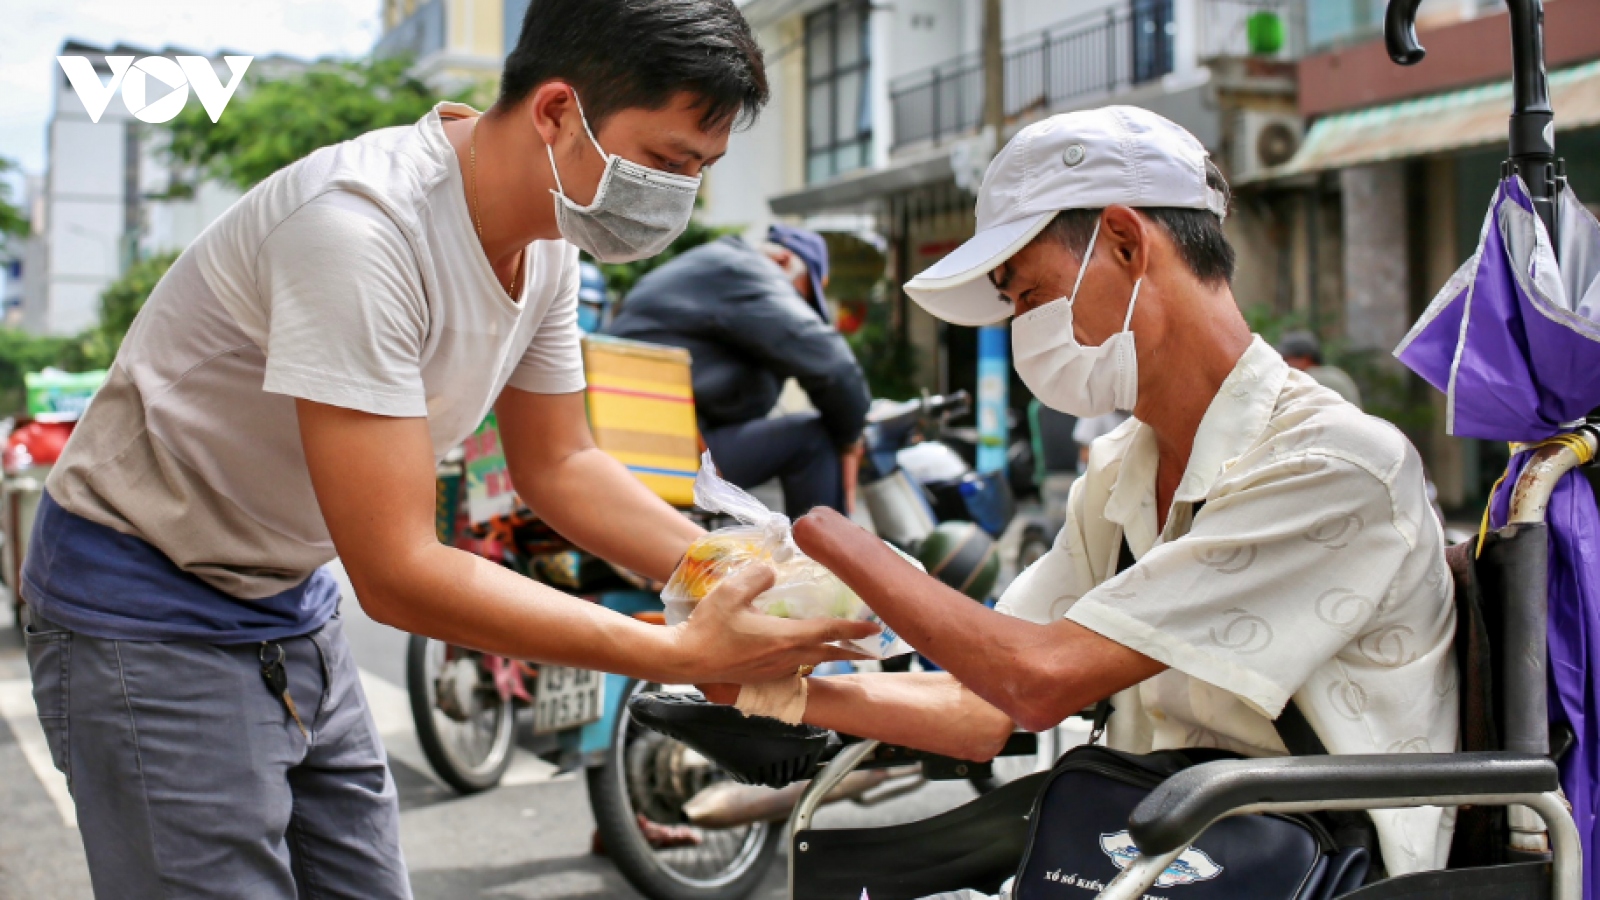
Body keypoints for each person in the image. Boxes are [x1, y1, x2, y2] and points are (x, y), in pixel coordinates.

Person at [19, 2, 877, 896]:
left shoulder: (547, 241)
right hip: (144, 599)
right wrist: (676, 654)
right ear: (554, 112)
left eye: (700, 170)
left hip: (283, 592)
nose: (680, 194)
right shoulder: (359, 231)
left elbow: (562, 467)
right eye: (666, 162)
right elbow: (396, 570)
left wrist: (742, 583)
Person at [705, 107, 1458, 878]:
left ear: (1128, 243)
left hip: (1321, 873)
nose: (1022, 331)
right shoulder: (1118, 475)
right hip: (1161, 858)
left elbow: (1037, 680)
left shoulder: (1335, 464)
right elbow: (984, 703)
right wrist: (761, 695)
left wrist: (829, 535)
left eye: (1031, 296)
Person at [607, 224, 870, 517]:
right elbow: (833, 365)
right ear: (783, 260)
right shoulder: (748, 271)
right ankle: (825, 561)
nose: (801, 308)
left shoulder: (712, 267)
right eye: (802, 297)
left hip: (635, 444)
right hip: (664, 455)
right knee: (814, 437)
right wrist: (850, 440)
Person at [1277, 328, 1364, 409]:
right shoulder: (1332, 374)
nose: (1284, 363)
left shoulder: (1316, 378)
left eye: (1286, 358)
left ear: (1305, 358)